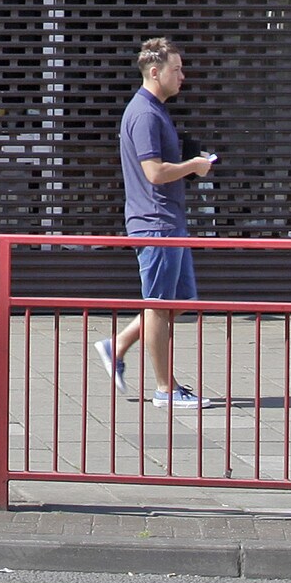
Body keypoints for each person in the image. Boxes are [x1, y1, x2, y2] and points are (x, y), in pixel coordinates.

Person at [94, 37, 216, 408]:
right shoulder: (145, 113)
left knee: (178, 302)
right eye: (176, 69)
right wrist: (194, 167)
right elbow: (154, 172)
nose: (183, 75)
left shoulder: (156, 109)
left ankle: (117, 346)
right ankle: (165, 389)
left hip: (168, 221)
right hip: (156, 222)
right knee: (160, 305)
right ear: (154, 71)